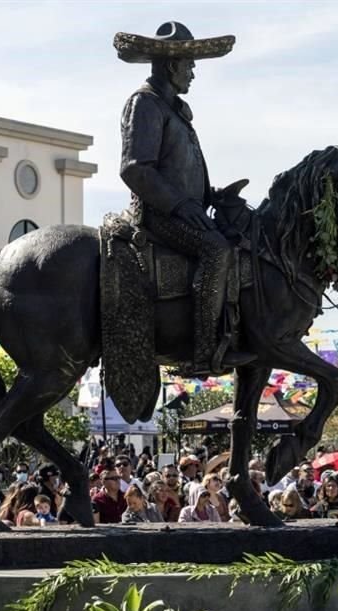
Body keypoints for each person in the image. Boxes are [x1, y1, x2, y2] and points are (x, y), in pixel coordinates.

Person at [117, 20, 254, 374]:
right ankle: (204, 350)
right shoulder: (144, 104)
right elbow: (135, 169)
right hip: (159, 215)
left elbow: (179, 168)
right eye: (190, 66)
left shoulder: (173, 109)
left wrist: (213, 194)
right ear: (173, 65)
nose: (193, 73)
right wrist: (180, 204)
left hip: (185, 210)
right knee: (216, 249)